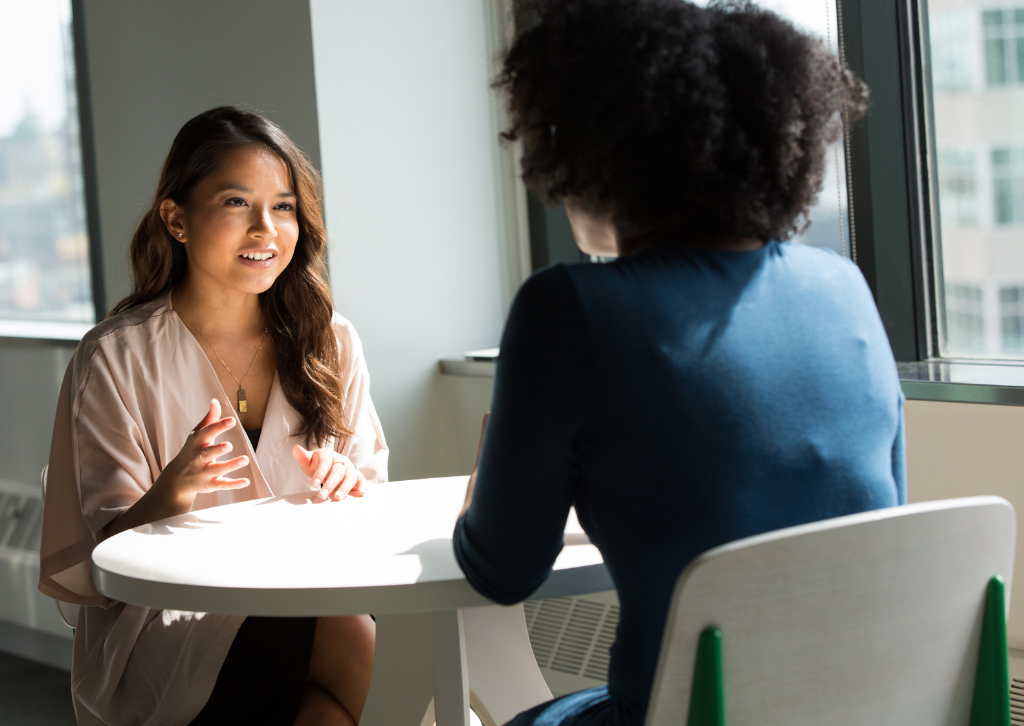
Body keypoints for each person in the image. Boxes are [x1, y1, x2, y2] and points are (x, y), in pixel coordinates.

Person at [453, 1, 903, 724]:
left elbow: (501, 571)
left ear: (597, 154)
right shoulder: (844, 289)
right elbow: (878, 520)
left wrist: (486, 498)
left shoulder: (568, 308)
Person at [38, 107, 387, 726]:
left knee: (339, 679)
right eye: (236, 203)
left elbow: (374, 506)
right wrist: (168, 497)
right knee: (354, 639)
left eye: (283, 207)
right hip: (167, 628)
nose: (266, 229)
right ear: (176, 219)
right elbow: (103, 566)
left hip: (315, 597)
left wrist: (348, 483)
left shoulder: (331, 342)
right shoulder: (115, 357)